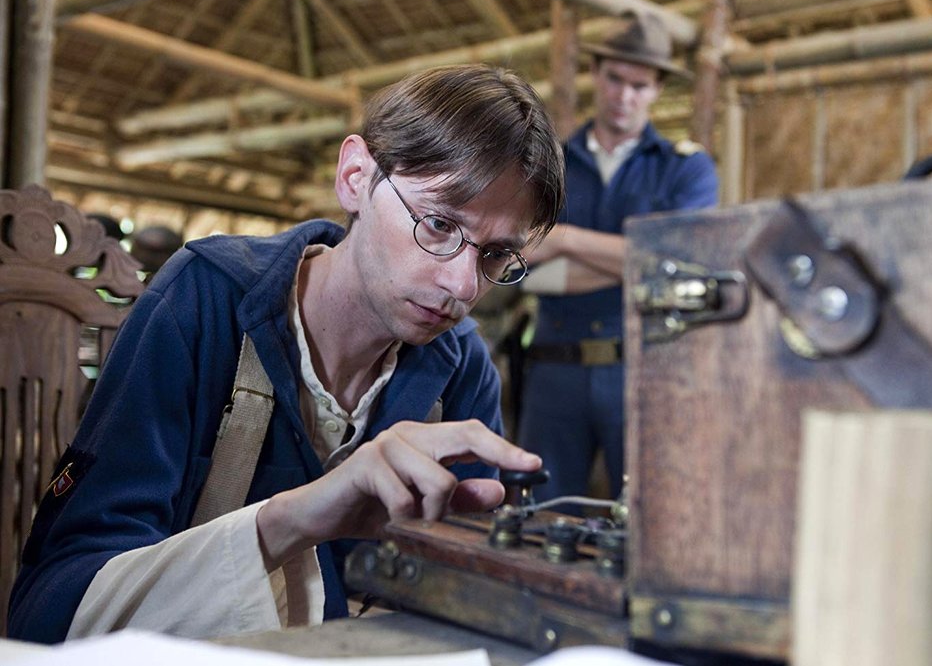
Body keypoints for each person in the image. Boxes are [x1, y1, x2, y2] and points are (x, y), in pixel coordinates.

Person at [8, 64, 565, 643]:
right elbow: (52, 616)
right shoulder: (203, 302)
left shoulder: (459, 367)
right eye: (439, 224)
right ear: (355, 176)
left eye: (496, 256)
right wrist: (297, 519)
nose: (464, 287)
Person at [517, 12, 719, 507]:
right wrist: (637, 259)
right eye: (615, 79)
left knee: (653, 515)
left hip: (645, 370)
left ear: (656, 89)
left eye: (639, 85)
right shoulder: (549, 163)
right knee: (539, 515)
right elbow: (517, 259)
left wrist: (564, 241)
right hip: (552, 372)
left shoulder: (686, 169)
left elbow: (682, 265)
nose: (624, 96)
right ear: (596, 73)